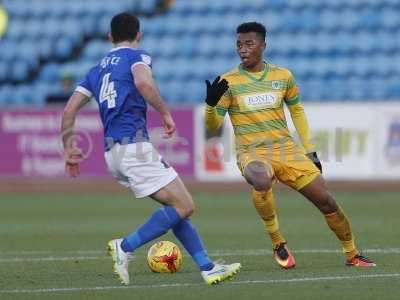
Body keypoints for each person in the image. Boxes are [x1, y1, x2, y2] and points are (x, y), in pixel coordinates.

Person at [60, 12, 241, 285]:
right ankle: (126, 246)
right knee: (185, 204)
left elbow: (68, 111)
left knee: (175, 207)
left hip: (112, 154)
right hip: (134, 148)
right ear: (138, 35)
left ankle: (207, 267)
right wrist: (166, 113)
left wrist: (69, 148)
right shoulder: (137, 57)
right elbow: (143, 82)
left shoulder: (95, 70)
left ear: (110, 37)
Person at [204, 22, 376, 269]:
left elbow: (297, 111)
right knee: (261, 180)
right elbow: (212, 126)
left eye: (249, 43)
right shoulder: (227, 82)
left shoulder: (283, 76)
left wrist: (310, 149)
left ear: (263, 45)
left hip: (287, 151)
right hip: (251, 152)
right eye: (239, 44)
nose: (243, 49)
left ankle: (352, 255)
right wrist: (210, 106)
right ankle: (277, 241)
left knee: (326, 201)